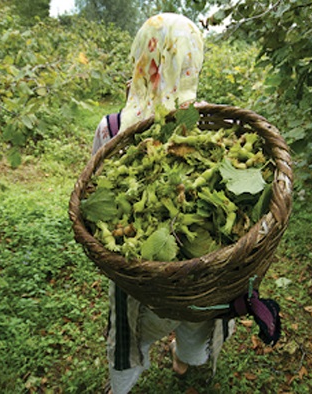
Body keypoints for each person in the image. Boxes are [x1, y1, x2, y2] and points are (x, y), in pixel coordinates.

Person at [90, 13, 235, 394]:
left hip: (138, 271)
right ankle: (185, 362)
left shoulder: (112, 126)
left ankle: (121, 384)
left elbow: (94, 192)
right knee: (196, 318)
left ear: (142, 57)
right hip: (199, 269)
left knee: (130, 328)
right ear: (192, 63)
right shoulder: (205, 120)